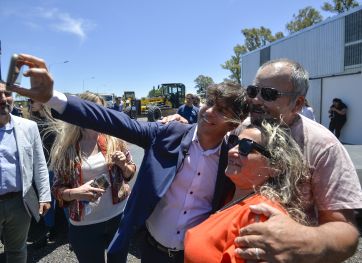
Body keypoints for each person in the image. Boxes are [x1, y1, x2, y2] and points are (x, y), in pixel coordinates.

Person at [8, 54, 248, 263]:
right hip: (152, 251)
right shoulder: (167, 134)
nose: (209, 112)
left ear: (234, 121)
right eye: (208, 103)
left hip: (195, 254)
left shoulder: (234, 157)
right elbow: (113, 121)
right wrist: (53, 97)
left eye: (222, 110)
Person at [234, 58, 362, 263]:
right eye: (252, 91)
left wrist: (302, 240)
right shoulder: (244, 127)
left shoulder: (322, 146)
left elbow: (346, 232)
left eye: (268, 94)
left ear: (298, 103)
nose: (256, 100)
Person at [184, 121, 310, 263]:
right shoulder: (232, 197)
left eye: (246, 146)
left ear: (275, 166)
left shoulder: (260, 215)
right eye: (233, 142)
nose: (231, 151)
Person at [49, 92, 136, 263]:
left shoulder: (115, 141)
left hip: (118, 218)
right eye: (92, 110)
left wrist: (123, 165)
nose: (98, 115)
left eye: (101, 111)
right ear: (80, 112)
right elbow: (57, 190)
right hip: (84, 225)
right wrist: (76, 193)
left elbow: (130, 173)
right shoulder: (66, 149)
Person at [0, 81, 51, 263]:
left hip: (19, 203)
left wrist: (44, 196)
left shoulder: (28, 127)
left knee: (17, 251)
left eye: (6, 94)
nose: (3, 99)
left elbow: (39, 164)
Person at [27, 99, 57, 246]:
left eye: (33, 100)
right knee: (44, 200)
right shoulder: (29, 123)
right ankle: (50, 228)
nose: (30, 102)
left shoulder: (53, 122)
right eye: (29, 100)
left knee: (59, 198)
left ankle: (67, 229)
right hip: (38, 168)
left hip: (53, 167)